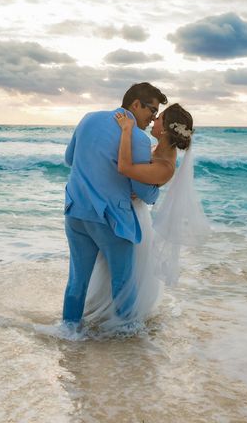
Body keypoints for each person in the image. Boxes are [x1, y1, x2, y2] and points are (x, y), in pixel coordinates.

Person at [83, 103, 211, 335]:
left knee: (125, 274)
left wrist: (126, 130)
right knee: (109, 269)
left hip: (134, 219)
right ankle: (104, 315)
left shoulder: (165, 165)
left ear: (165, 129)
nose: (153, 120)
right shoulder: (153, 149)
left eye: (159, 117)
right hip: (117, 213)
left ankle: (125, 328)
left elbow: (124, 167)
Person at [62, 82, 168, 331]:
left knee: (77, 280)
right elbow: (143, 190)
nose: (153, 118)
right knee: (123, 283)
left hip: (76, 211)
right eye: (151, 110)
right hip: (111, 219)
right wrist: (156, 190)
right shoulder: (138, 140)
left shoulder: (88, 119)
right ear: (135, 105)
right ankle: (127, 339)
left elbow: (69, 159)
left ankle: (68, 332)